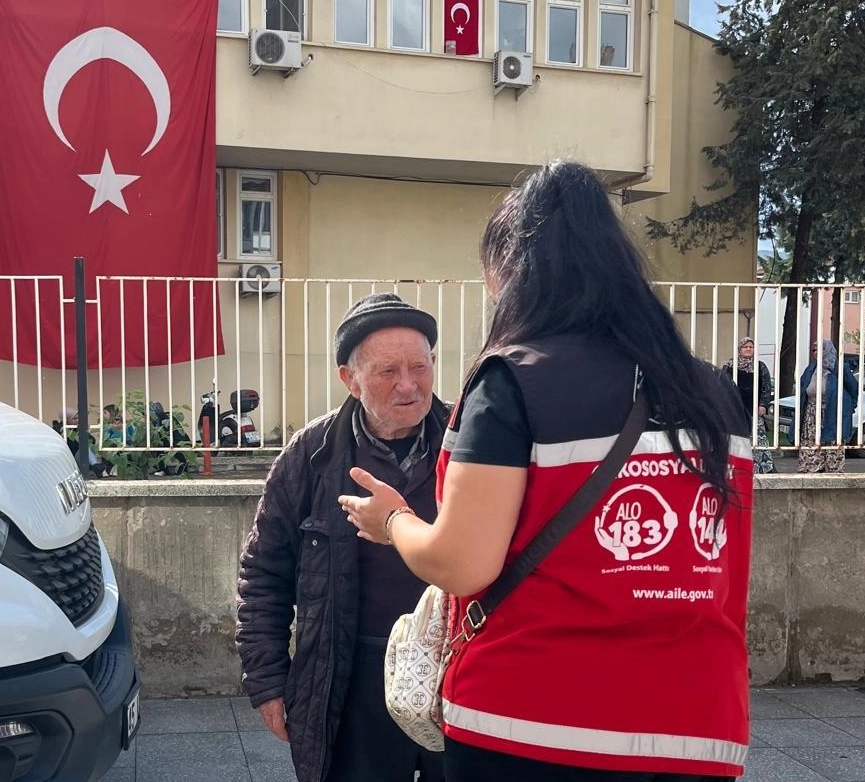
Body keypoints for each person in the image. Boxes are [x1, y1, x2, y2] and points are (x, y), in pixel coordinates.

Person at [339, 161, 754, 782]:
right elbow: (724, 574)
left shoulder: (514, 380)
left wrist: (393, 519)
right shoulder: (713, 394)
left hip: (532, 723)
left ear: (512, 275)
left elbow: (462, 562)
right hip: (697, 725)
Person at [236, 293, 447, 782]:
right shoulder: (311, 455)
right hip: (348, 673)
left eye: (420, 366)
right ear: (349, 380)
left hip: (454, 669)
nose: (409, 385)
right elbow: (264, 573)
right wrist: (268, 682)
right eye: (387, 371)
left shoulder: (471, 442)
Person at [798, 339, 859, 474]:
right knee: (812, 441)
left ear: (828, 350)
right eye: (814, 350)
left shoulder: (839, 368)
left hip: (833, 412)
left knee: (832, 441)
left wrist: (849, 407)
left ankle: (833, 471)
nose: (816, 353)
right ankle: (812, 469)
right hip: (812, 412)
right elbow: (803, 387)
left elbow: (853, 388)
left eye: (820, 349)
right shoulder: (811, 368)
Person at [721, 337, 776, 474]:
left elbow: (766, 387)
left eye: (751, 347)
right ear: (740, 349)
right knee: (736, 438)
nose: (748, 349)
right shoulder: (730, 366)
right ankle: (736, 467)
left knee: (757, 439)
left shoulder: (760, 366)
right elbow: (722, 385)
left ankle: (761, 468)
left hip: (754, 409)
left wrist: (763, 404)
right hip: (735, 409)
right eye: (745, 347)